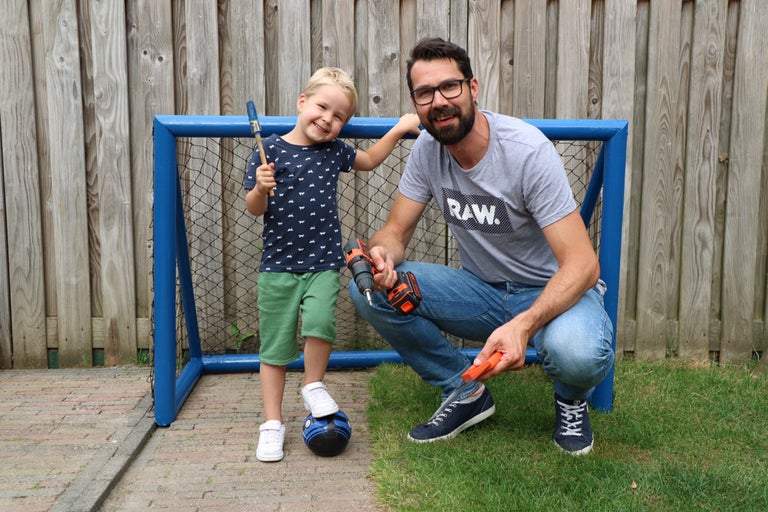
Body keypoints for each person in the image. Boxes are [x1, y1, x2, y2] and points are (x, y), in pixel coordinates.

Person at [347, 38, 614, 456]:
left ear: (473, 88)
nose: (439, 101)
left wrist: (524, 324)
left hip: (552, 294)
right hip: (482, 293)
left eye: (449, 87)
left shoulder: (526, 152)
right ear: (415, 103)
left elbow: (583, 265)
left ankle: (570, 398)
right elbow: (395, 232)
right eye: (424, 93)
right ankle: (464, 391)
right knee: (368, 291)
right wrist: (382, 256)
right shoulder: (426, 150)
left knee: (577, 354)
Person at [244, 67, 421, 462]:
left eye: (339, 116)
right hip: (277, 268)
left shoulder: (335, 151)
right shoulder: (267, 151)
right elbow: (255, 209)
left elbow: (371, 159)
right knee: (274, 350)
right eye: (322, 108)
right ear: (302, 103)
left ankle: (313, 385)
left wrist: (399, 127)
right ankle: (272, 424)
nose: (328, 119)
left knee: (322, 325)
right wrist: (260, 188)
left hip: (323, 263)